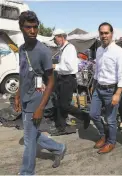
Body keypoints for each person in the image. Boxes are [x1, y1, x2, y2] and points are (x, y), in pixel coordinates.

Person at [15, 11, 66, 175]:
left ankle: (27, 172)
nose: (32, 31)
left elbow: (50, 81)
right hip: (24, 97)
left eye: (35, 27)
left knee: (29, 139)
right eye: (28, 27)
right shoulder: (22, 49)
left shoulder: (43, 51)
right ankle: (59, 148)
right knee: (33, 133)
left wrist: (41, 108)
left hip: (36, 99)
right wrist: (17, 94)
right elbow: (23, 73)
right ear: (21, 28)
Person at [89, 22, 122, 154]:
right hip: (98, 88)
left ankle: (111, 142)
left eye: (106, 33)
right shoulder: (99, 50)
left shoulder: (119, 52)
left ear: (111, 34)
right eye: (101, 33)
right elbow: (97, 69)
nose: (104, 35)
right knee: (93, 114)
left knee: (110, 120)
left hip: (111, 90)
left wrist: (118, 93)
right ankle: (103, 135)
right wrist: (93, 84)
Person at [51, 29, 90, 136]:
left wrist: (55, 66)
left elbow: (71, 67)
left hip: (68, 79)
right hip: (61, 78)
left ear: (61, 37)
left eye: (56, 38)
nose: (55, 41)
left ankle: (84, 116)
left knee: (65, 105)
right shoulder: (63, 49)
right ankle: (61, 127)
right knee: (58, 104)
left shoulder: (70, 49)